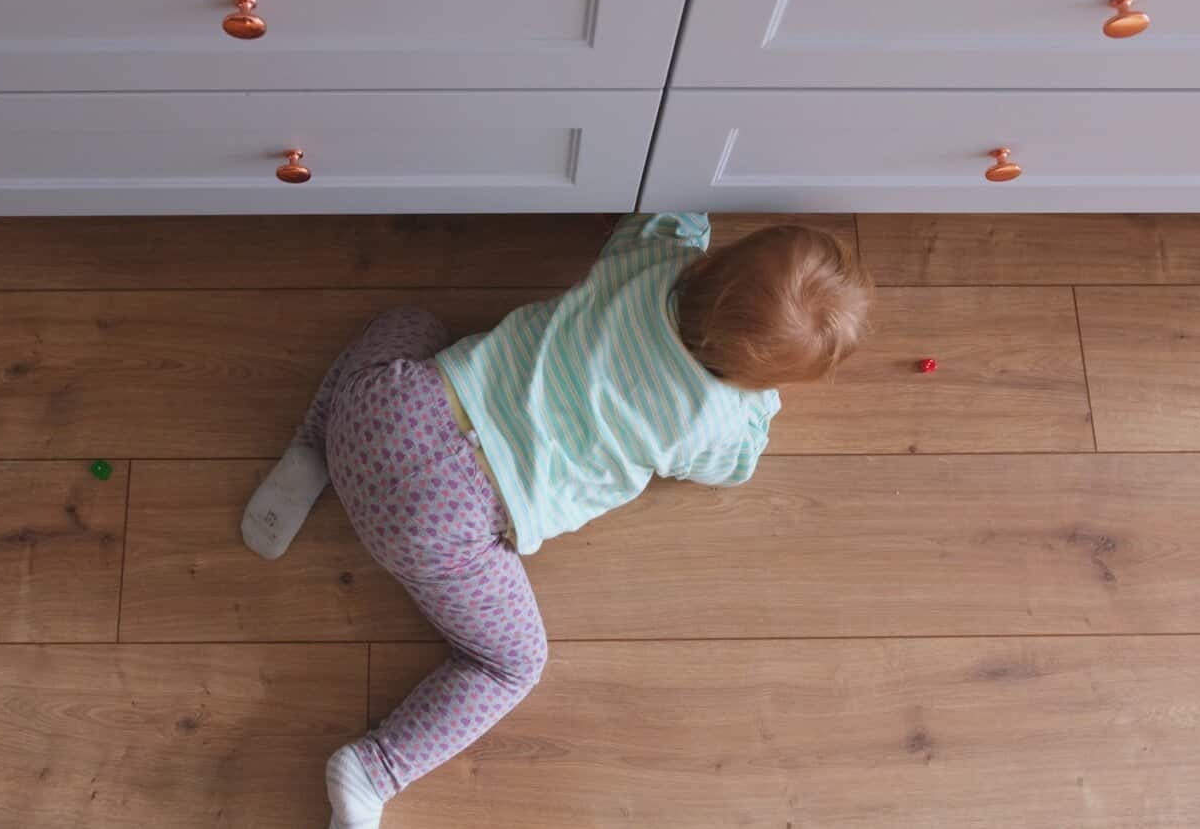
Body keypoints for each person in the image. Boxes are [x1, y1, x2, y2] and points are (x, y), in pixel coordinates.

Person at [241, 213, 873, 828]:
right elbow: (736, 465)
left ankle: (311, 446)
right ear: (746, 377)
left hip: (388, 411)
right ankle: (376, 767)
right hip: (440, 523)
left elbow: (669, 210)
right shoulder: (711, 419)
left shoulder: (652, 259)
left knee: (410, 322)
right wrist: (759, 400)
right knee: (512, 663)